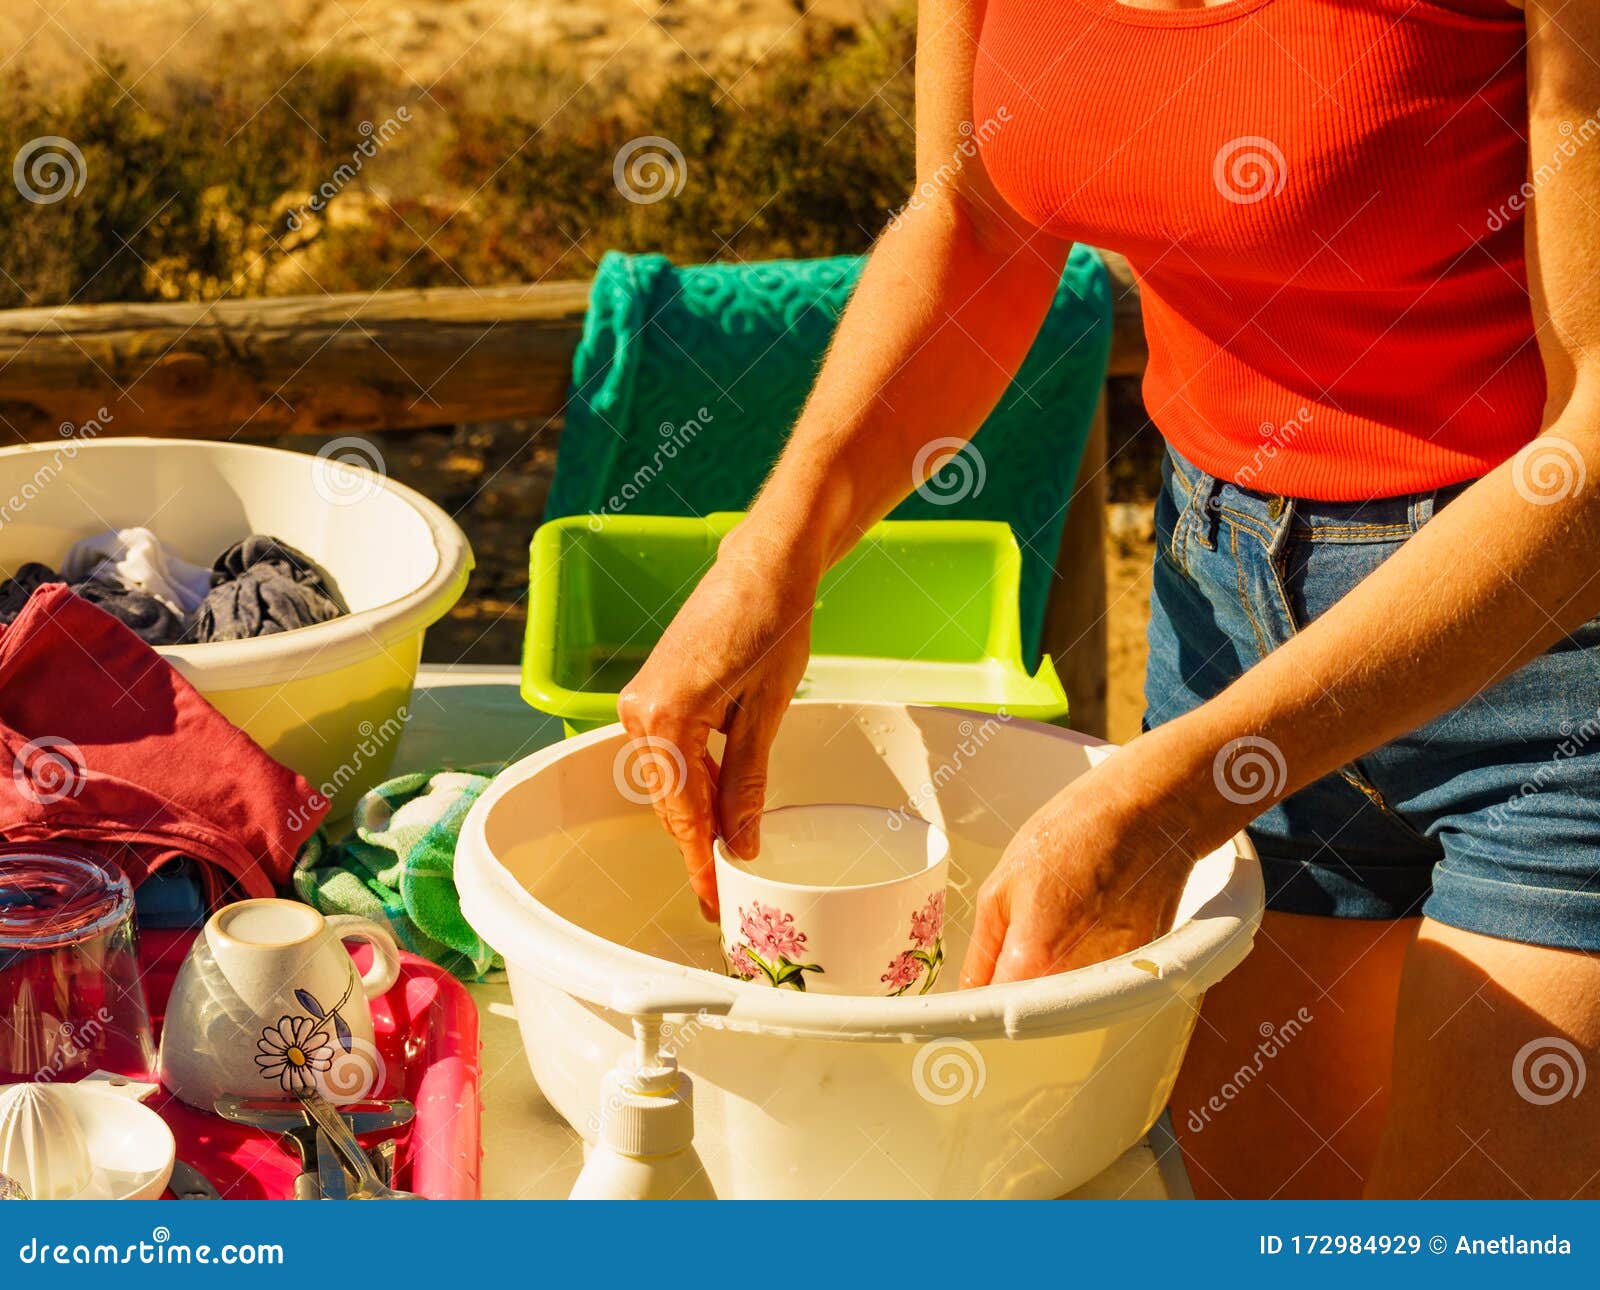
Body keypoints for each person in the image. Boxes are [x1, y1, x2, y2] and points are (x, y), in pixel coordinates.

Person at [617, 0, 1600, 1199]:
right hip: (1222, 610)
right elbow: (973, 222)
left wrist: (1180, 792)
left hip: (1544, 649)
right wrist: (770, 553)